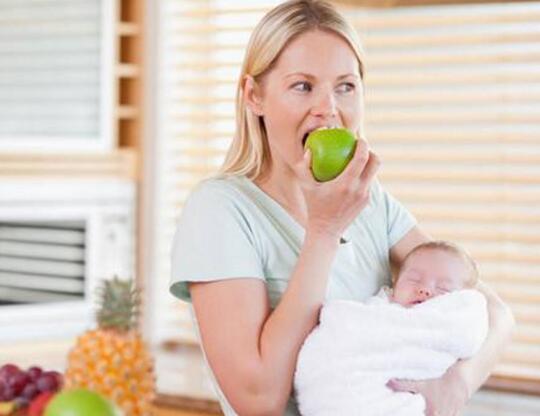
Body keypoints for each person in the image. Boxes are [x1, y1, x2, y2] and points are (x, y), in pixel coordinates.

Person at [169, 1, 515, 415]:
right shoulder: (220, 210)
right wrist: (324, 232)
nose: (328, 108)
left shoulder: (370, 202)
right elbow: (257, 398)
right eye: (303, 86)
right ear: (254, 95)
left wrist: (455, 384)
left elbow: (496, 312)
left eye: (345, 86)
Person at [294, 241, 489, 415]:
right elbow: (341, 338)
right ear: (395, 284)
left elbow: (467, 337)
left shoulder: (451, 326)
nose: (425, 289)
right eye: (413, 280)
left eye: (443, 289)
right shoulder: (376, 312)